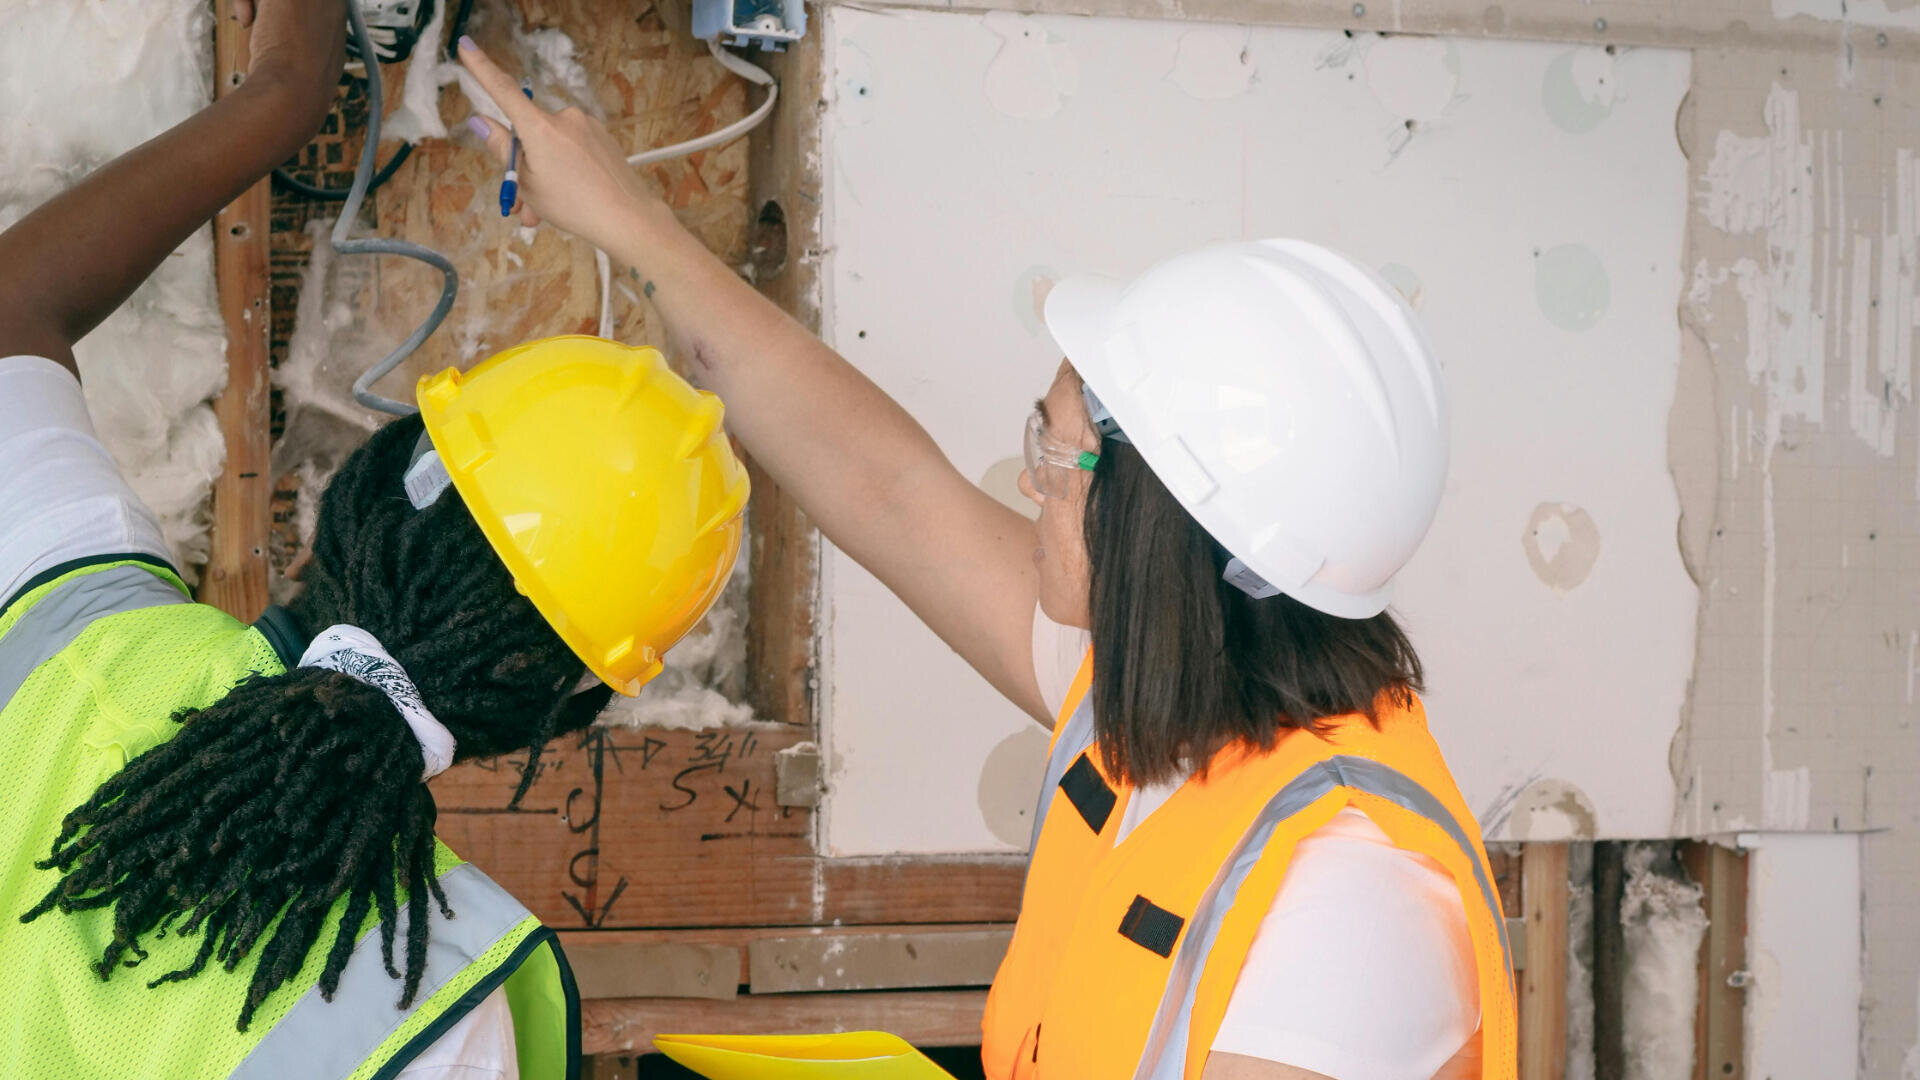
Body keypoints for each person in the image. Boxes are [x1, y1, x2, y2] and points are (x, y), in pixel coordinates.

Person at [455, 36, 1518, 1080]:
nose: (1030, 486)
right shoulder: (1151, 697)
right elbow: (888, 488)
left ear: (1159, 524)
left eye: (1054, 455)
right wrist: (632, 225)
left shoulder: (1349, 912)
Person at [0, 4, 748, 1077]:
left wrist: (280, 99)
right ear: (565, 701)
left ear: (359, 493)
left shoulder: (73, 635)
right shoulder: (427, 1012)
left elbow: (12, 310)